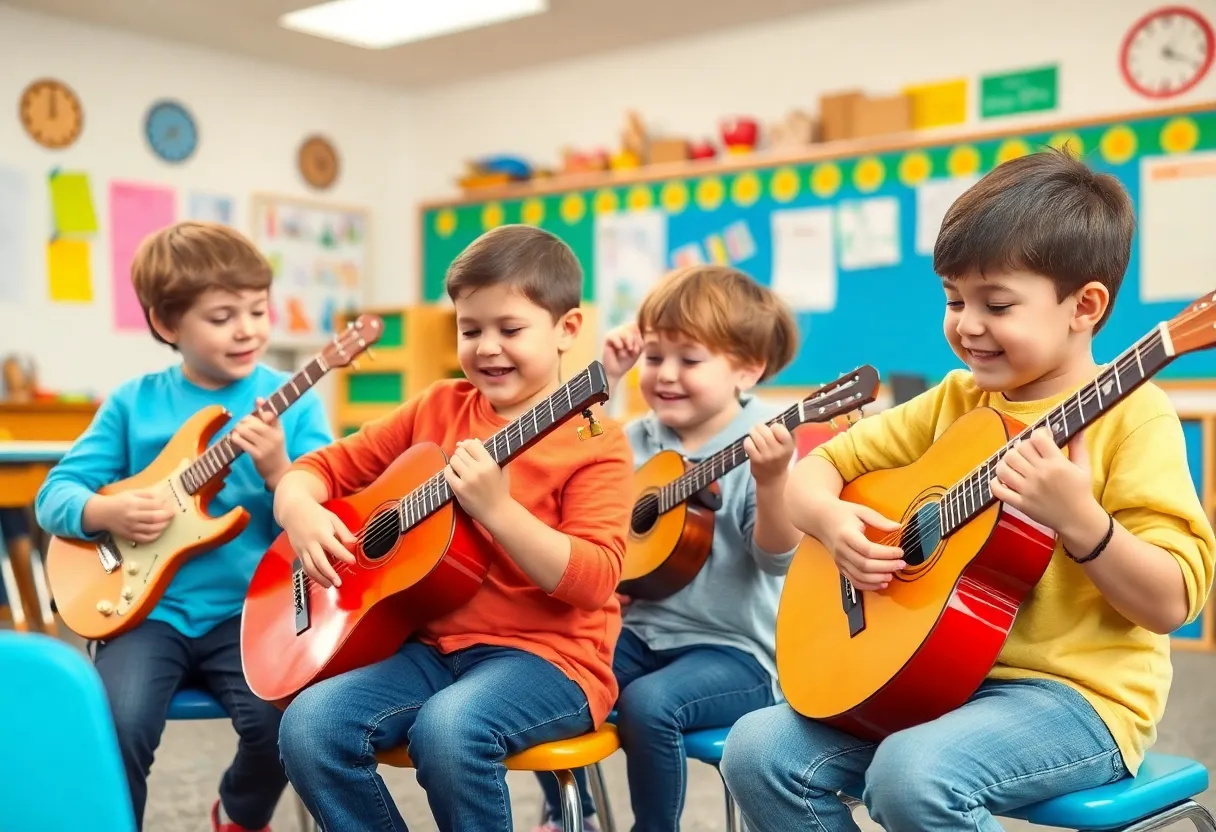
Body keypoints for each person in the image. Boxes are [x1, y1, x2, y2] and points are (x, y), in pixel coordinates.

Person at [719, 147, 1216, 832]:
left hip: (1077, 699)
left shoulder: (1137, 417)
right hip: (934, 677)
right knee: (757, 750)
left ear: (1086, 305)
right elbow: (816, 472)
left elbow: (1170, 601)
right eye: (955, 299)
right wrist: (835, 526)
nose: (966, 324)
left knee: (910, 775)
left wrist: (1082, 522)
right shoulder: (956, 399)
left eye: (997, 303)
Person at [272, 224, 635, 832]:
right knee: (309, 726)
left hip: (552, 662)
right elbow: (316, 469)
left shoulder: (597, 442)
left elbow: (594, 580)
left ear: (568, 329)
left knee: (449, 729)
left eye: (510, 329)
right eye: (471, 330)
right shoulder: (438, 407)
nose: (487, 347)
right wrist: (302, 513)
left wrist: (498, 510)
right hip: (433, 650)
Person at [35, 221, 334, 832]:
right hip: (145, 613)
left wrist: (279, 468)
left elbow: (334, 500)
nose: (248, 328)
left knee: (283, 720)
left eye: (257, 309)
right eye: (223, 316)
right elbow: (53, 495)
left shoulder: (292, 401)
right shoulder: (132, 403)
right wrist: (104, 513)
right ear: (169, 325)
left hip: (250, 614)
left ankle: (240, 813)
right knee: (116, 725)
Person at [532, 265, 804, 832]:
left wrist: (773, 481)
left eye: (690, 359)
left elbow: (777, 558)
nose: (666, 375)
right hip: (641, 631)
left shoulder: (766, 444)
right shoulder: (634, 436)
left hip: (736, 651)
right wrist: (603, 376)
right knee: (542, 671)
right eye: (654, 358)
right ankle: (567, 811)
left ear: (746, 370)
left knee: (650, 705)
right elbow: (562, 460)